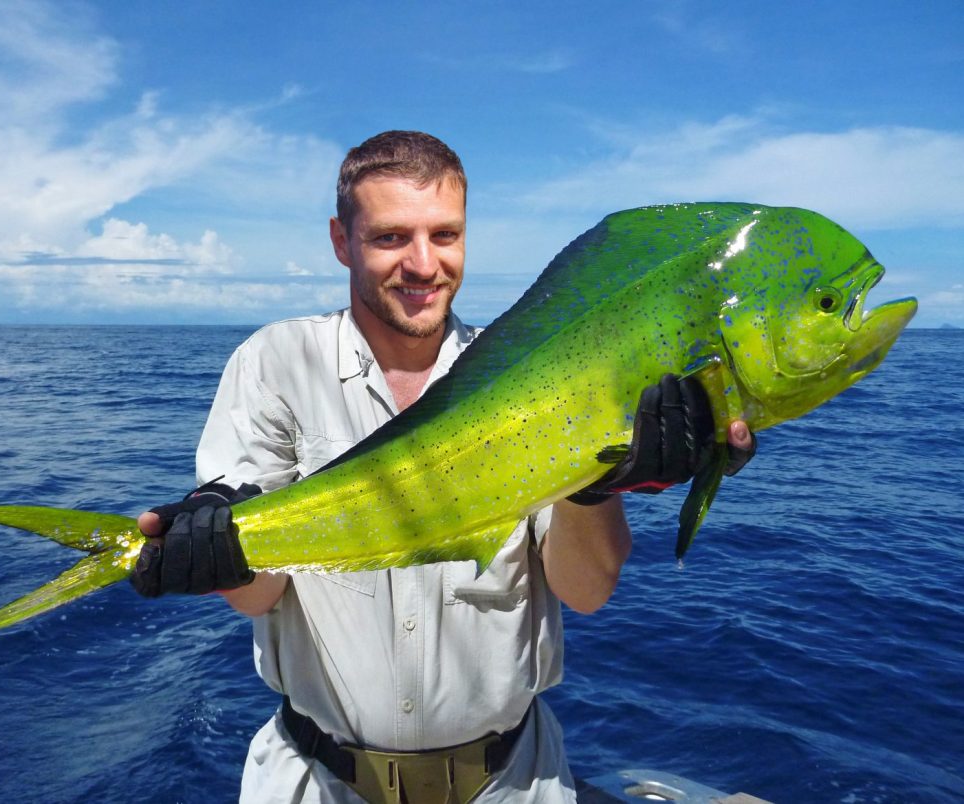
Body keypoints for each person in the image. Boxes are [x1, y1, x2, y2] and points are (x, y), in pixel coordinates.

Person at [133, 131, 755, 803]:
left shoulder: (533, 380)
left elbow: (586, 592)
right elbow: (257, 596)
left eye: (446, 235)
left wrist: (597, 486)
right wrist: (216, 551)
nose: (424, 264)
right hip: (317, 783)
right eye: (391, 238)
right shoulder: (275, 364)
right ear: (342, 243)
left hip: (512, 784)